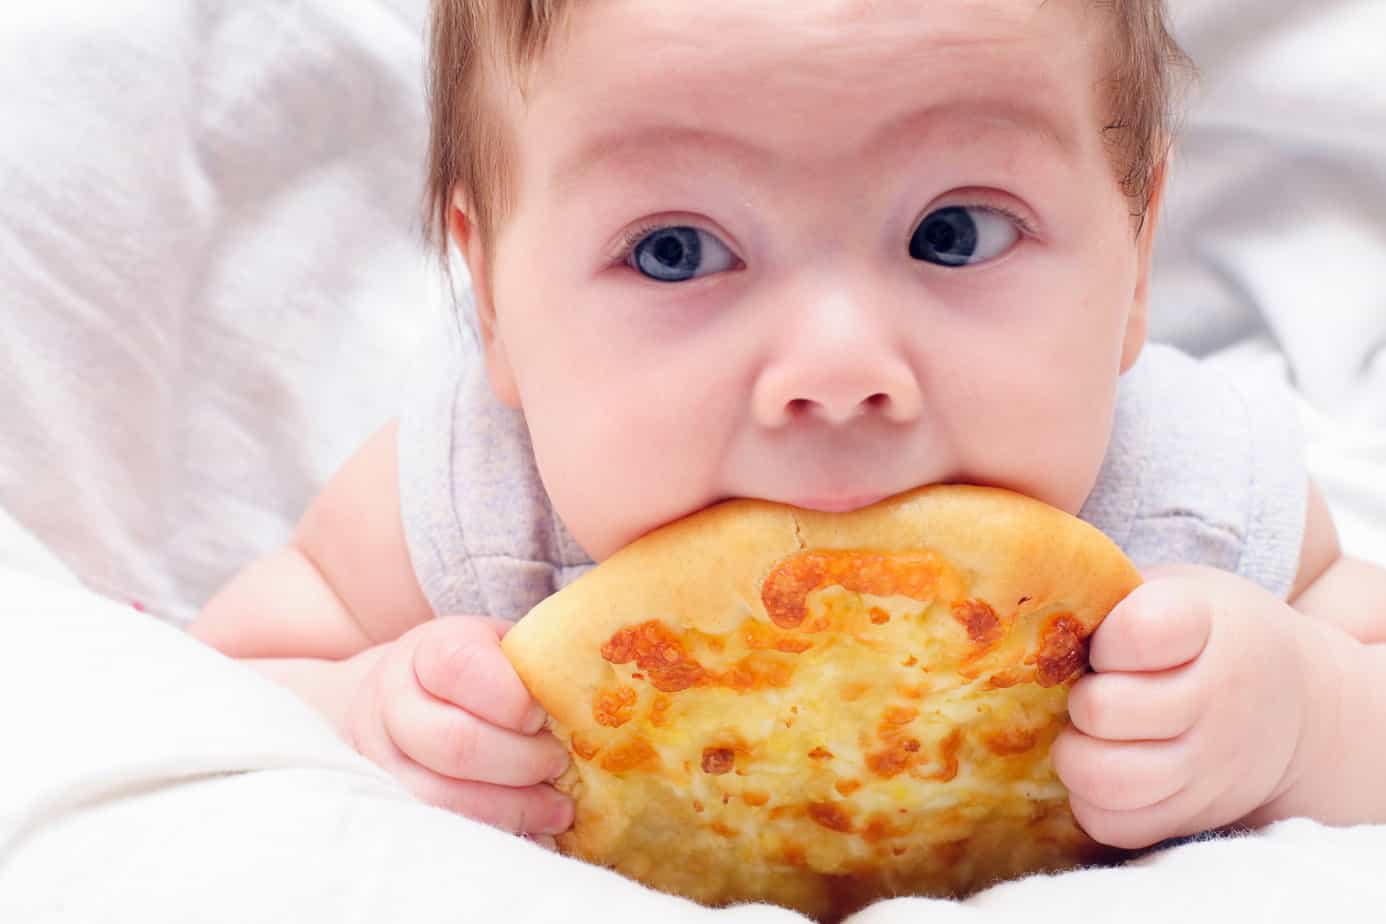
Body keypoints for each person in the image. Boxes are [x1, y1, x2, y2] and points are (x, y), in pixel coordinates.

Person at [190, 0, 1386, 854]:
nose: (836, 372)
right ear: (493, 299)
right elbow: (221, 679)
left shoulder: (1189, 495)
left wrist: (1302, 717)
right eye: (676, 251)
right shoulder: (481, 502)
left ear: (1134, 258)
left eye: (953, 233)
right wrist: (365, 715)